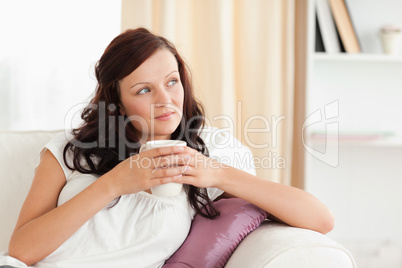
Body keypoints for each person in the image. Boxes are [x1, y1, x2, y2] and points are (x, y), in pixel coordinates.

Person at [6, 28, 334, 267]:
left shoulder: (206, 153)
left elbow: (320, 219)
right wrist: (115, 184)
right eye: (144, 90)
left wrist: (217, 173)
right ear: (118, 103)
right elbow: (21, 250)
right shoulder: (70, 150)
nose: (165, 100)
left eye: (171, 82)